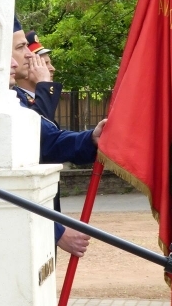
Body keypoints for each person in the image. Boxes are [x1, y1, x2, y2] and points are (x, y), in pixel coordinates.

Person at [9, 20, 103, 257]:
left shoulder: (16, 96)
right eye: (21, 48)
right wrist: (57, 231)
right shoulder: (8, 100)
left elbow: (50, 140)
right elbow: (40, 142)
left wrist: (91, 139)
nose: (30, 56)